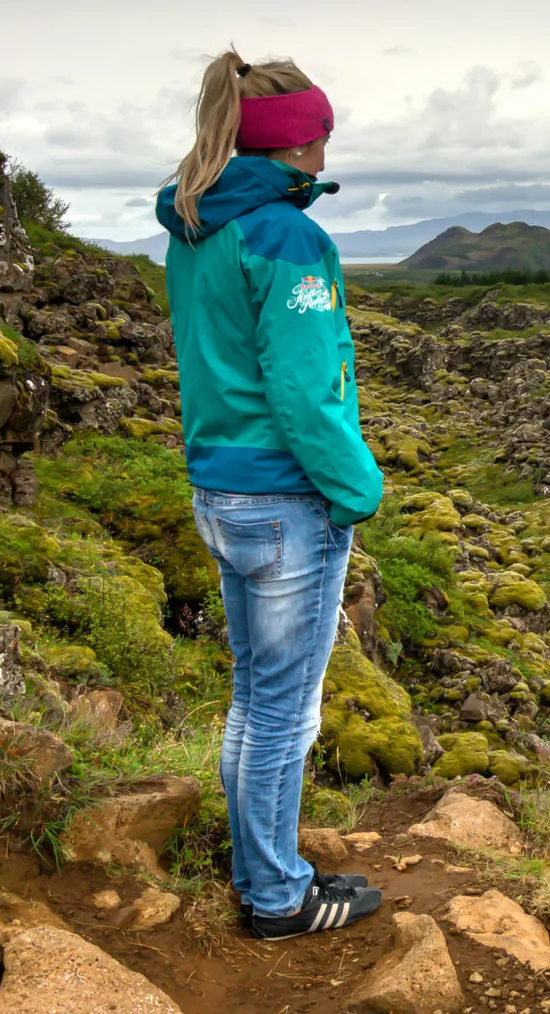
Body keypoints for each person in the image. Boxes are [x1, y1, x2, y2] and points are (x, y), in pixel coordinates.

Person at [156, 51, 386, 940]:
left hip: (221, 488)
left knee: (255, 697)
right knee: (286, 712)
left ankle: (266, 872)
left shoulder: (195, 223)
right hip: (288, 502)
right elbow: (302, 389)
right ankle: (280, 898)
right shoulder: (288, 238)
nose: (329, 147)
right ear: (299, 141)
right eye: (323, 132)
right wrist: (357, 488)